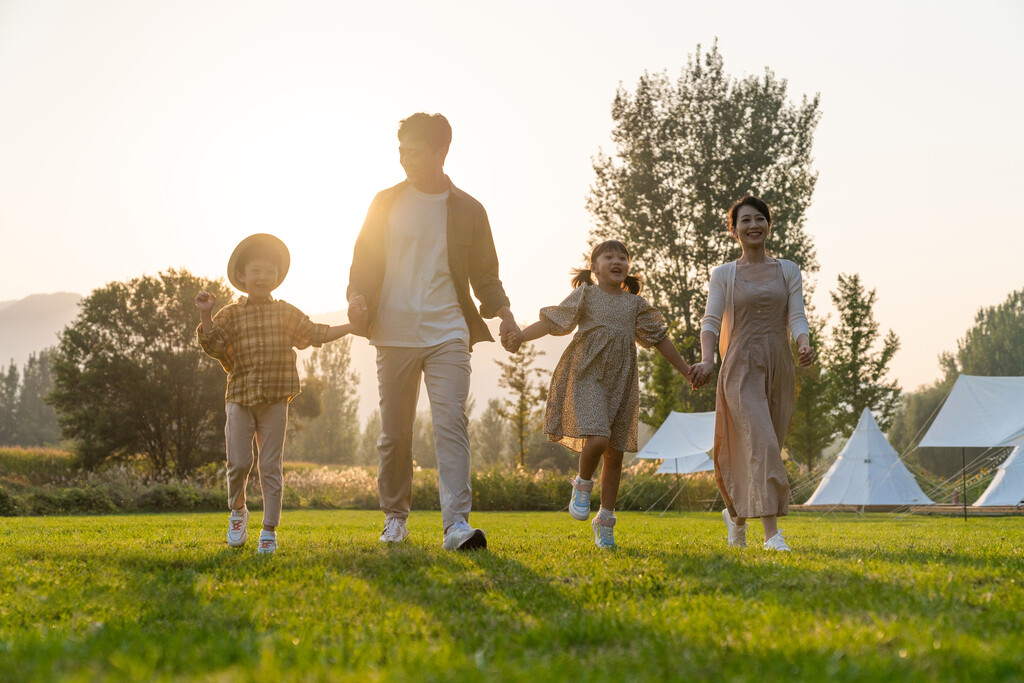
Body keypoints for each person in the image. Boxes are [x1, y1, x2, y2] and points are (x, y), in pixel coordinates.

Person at [346, 113, 520, 551]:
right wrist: (356, 297)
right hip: (393, 330)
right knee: (396, 433)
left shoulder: (469, 209)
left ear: (441, 152)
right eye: (401, 150)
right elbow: (362, 263)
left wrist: (505, 314)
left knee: (450, 425)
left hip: (448, 330)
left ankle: (456, 525)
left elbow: (486, 274)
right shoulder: (384, 201)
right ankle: (395, 519)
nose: (404, 159)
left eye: (414, 151)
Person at [510, 240, 694, 549]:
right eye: (609, 256)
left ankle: (605, 521)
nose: (617, 260)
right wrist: (520, 336)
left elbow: (660, 339)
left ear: (628, 267)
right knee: (597, 439)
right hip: (587, 376)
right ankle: (582, 484)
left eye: (623, 257)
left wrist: (686, 370)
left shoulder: (635, 304)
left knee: (615, 455)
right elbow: (552, 321)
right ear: (594, 267)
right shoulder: (586, 295)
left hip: (620, 383)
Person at [196, 233, 353, 554]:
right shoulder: (231, 313)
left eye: (270, 272)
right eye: (256, 271)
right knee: (238, 463)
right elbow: (211, 345)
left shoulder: (285, 312)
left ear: (278, 277)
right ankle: (238, 511)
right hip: (239, 396)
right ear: (242, 276)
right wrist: (204, 314)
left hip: (276, 398)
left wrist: (352, 326)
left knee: (270, 466)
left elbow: (315, 332)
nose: (263, 277)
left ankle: (269, 531)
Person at [690, 196, 815, 552]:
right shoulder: (724, 275)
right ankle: (772, 536)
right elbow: (710, 322)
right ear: (733, 230)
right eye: (745, 220)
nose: (753, 225)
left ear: (769, 225)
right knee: (762, 443)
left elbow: (797, 316)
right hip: (739, 367)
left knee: (765, 445)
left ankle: (736, 516)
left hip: (779, 365)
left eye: (760, 219)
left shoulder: (789, 269)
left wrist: (803, 343)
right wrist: (708, 360)